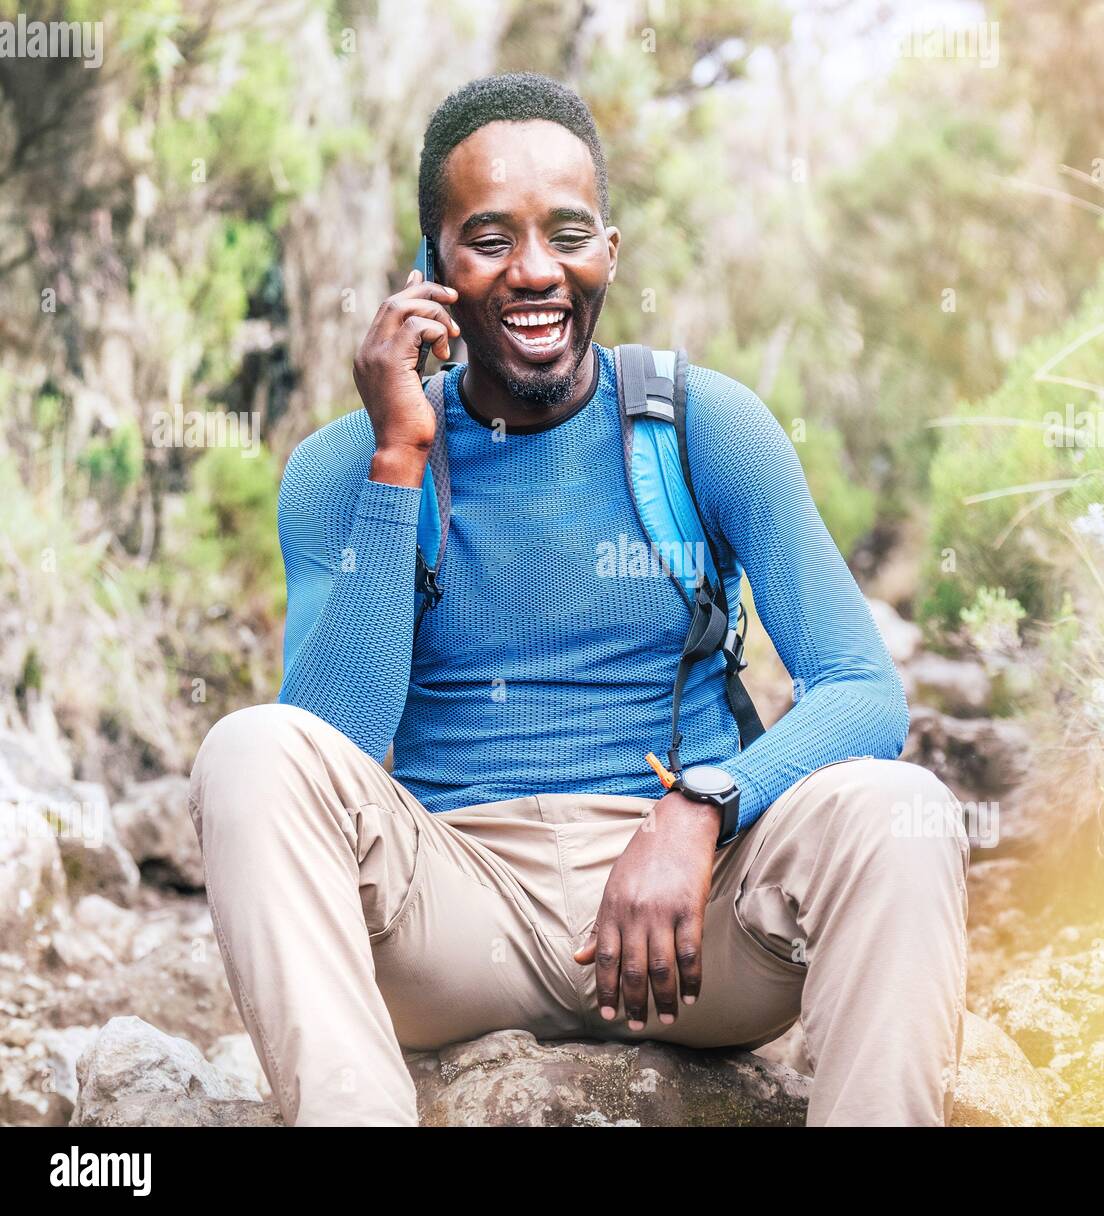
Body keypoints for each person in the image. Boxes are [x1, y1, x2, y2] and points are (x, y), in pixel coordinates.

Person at [187, 71, 969, 1127]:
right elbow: (335, 737)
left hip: (690, 932)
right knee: (249, 749)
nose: (536, 270)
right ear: (431, 268)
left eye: (567, 231)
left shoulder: (702, 427)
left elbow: (864, 692)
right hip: (454, 916)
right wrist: (400, 457)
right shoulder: (345, 470)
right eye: (490, 238)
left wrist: (705, 805)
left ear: (610, 248)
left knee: (904, 808)